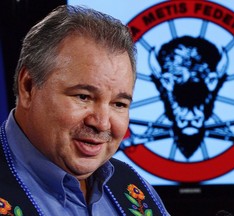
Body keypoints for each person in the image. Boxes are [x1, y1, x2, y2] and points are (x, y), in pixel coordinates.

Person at [0, 5, 169, 216]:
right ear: (28, 87)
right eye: (83, 97)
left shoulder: (133, 186)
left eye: (119, 104)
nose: (102, 123)